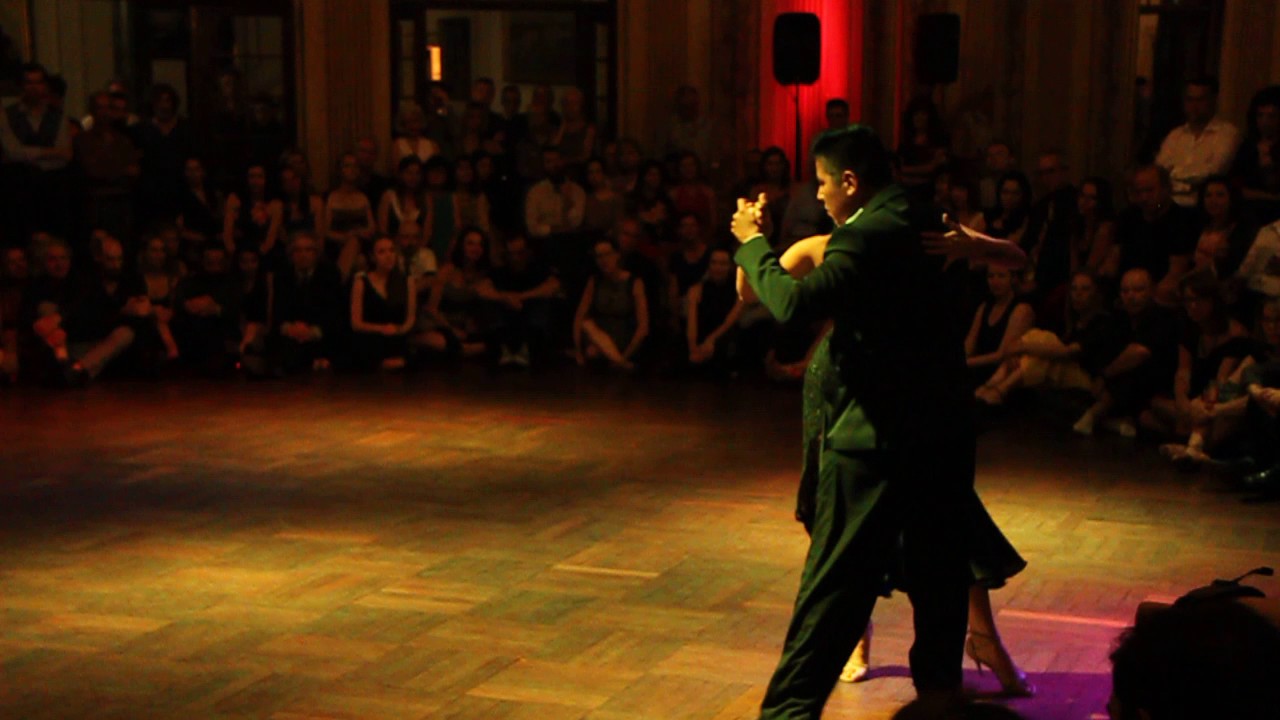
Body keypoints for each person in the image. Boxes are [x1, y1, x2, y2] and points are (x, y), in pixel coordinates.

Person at [732, 125, 979, 715]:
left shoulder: (864, 237)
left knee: (832, 592)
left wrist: (749, 241)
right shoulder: (927, 218)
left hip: (875, 441)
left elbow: (788, 305)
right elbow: (1005, 254)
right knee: (939, 579)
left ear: (850, 180)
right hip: (942, 437)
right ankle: (940, 702)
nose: (817, 196)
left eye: (822, 183)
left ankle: (788, 713)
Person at [976, 270, 1117, 406]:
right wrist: (1018, 353)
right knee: (1038, 336)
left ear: (1097, 293)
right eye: (1074, 289)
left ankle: (999, 388)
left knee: (1046, 340)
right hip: (1065, 371)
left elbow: (1068, 352)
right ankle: (996, 384)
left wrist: (1023, 347)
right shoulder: (1074, 321)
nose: (1078, 294)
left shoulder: (1102, 322)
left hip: (1087, 379)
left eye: (1085, 289)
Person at [1073, 268, 1179, 437]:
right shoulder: (1119, 319)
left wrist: (1106, 375)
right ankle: (1106, 419)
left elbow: (1139, 353)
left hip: (1157, 385)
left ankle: (1095, 414)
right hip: (1127, 391)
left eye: (1138, 290)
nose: (1131, 296)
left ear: (1152, 291)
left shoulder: (1162, 318)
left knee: (1132, 370)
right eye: (1125, 291)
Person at [1108, 165, 1198, 306]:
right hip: (1125, 290)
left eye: (1149, 191)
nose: (1144, 197)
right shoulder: (1128, 217)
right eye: (1139, 192)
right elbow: (1113, 261)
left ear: (1165, 189)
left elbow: (1176, 273)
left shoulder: (1182, 220)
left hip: (1158, 296)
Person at [1155, 76, 1242, 207]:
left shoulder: (1227, 133)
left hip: (1202, 206)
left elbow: (1213, 173)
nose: (1194, 106)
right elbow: (1159, 172)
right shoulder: (1175, 135)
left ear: (1213, 100)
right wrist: (1187, 184)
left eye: (1200, 100)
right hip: (1169, 204)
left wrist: (1174, 177)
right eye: (1190, 99)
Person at [573, 237, 649, 371]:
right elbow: (580, 315)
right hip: (600, 333)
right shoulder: (594, 281)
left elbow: (643, 326)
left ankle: (619, 359)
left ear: (617, 255)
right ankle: (619, 362)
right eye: (599, 256)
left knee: (594, 352)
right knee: (588, 330)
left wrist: (627, 354)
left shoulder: (634, 282)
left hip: (624, 334)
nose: (603, 260)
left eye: (607, 254)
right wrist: (578, 350)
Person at [491, 234, 561, 369]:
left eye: (520, 253)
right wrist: (505, 297)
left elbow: (554, 285)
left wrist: (522, 296)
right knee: (492, 306)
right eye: (511, 254)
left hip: (532, 319)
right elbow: (482, 288)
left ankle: (528, 350)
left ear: (528, 252)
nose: (516, 258)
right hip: (507, 317)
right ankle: (504, 350)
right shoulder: (500, 272)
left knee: (543, 304)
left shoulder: (538, 269)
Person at [350, 236, 416, 371]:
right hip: (371, 336)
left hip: (397, 336)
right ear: (373, 257)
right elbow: (356, 323)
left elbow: (410, 319)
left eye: (391, 251)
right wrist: (381, 328)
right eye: (382, 252)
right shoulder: (361, 281)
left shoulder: (407, 281)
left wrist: (398, 330)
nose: (388, 256)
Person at [965, 266, 1035, 392]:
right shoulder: (984, 306)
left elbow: (1001, 355)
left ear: (1012, 279)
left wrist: (966, 363)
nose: (995, 281)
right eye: (991, 276)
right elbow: (970, 342)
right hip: (976, 367)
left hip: (998, 374)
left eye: (1001, 276)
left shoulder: (1021, 309)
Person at [685, 247, 743, 375]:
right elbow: (692, 321)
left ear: (730, 266)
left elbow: (731, 320)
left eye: (722, 264)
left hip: (724, 335)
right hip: (702, 333)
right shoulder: (697, 289)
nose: (717, 267)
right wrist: (692, 347)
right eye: (714, 263)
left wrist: (711, 341)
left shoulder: (738, 289)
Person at [323, 153, 376, 280]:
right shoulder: (331, 197)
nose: (351, 169)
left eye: (355, 166)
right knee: (359, 261)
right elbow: (325, 230)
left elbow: (372, 228)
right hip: (337, 244)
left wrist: (357, 233)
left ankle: (338, 285)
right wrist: (345, 237)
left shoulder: (363, 197)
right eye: (347, 166)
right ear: (340, 170)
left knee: (357, 249)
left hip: (361, 242)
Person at [1232, 85, 1280, 224]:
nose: (1265, 122)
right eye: (1260, 115)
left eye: (1271, 116)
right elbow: (1236, 185)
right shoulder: (1248, 146)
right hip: (1250, 210)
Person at [390, 102, 440, 174]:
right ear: (403, 125)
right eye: (408, 122)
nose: (413, 126)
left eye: (415, 121)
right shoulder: (397, 144)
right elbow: (395, 171)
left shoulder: (432, 145)